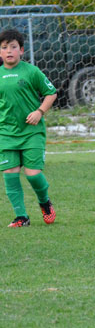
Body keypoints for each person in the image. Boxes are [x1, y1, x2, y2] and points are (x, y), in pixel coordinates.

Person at [0, 29, 58, 228]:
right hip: (6, 133)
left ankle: (44, 201)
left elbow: (51, 93)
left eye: (13, 47)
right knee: (10, 173)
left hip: (32, 132)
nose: (9, 51)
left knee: (33, 174)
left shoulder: (31, 71)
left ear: (22, 50)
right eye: (4, 47)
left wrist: (39, 111)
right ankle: (21, 217)